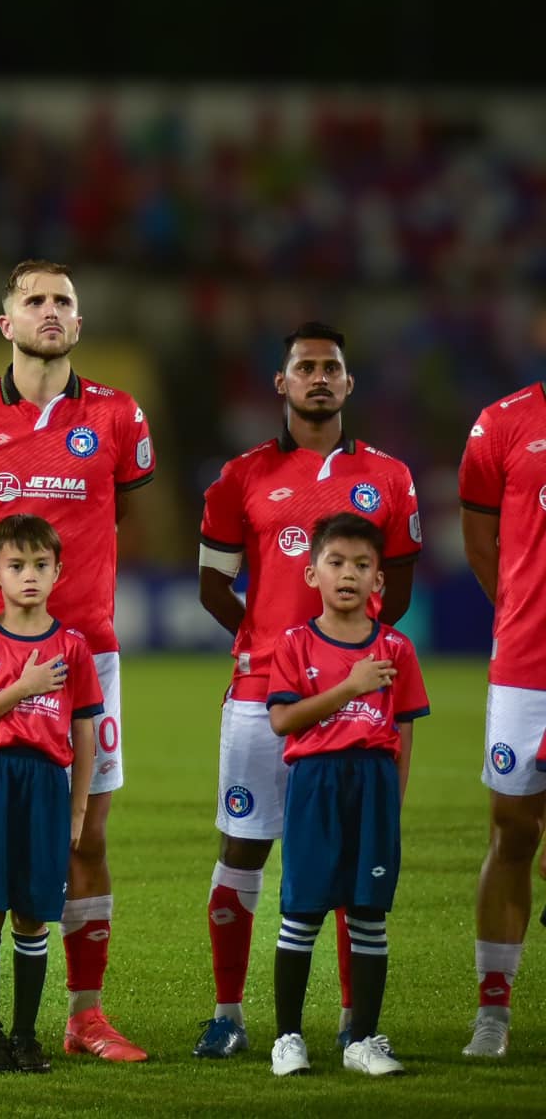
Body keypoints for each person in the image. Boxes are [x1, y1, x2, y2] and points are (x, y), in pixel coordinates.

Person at [0, 259, 153, 1062]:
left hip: (88, 657)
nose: (51, 311)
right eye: (34, 300)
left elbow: (131, 520)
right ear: (5, 321)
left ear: (79, 324)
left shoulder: (117, 416)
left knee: (86, 838)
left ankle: (85, 1016)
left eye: (64, 302)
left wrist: (77, 611)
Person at [193, 323, 421, 1059]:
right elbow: (211, 584)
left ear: (349, 385)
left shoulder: (389, 478)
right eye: (304, 367)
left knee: (355, 863)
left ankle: (358, 1024)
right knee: (242, 852)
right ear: (281, 384)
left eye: (331, 368)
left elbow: (402, 585)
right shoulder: (242, 476)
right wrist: (267, 638)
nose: (318, 377)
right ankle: (229, 1015)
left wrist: (347, 654)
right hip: (262, 693)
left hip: (355, 697)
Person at [264, 512, 428, 1078]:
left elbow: (404, 728)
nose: (349, 574)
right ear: (312, 574)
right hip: (317, 783)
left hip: (374, 784)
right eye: (335, 563)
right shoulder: (294, 645)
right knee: (302, 914)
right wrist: (350, 686)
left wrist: (395, 802)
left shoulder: (397, 649)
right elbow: (283, 721)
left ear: (379, 581)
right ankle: (288, 1038)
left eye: (362, 565)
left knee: (368, 915)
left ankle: (364, 1040)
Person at [0, 514, 103, 1074]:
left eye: (40, 565)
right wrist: (24, 687)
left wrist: (78, 806)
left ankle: (26, 1037)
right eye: (16, 565)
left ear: (58, 572)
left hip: (44, 787)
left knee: (33, 915)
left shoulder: (73, 647)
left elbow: (84, 730)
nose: (28, 575)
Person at [457, 372, 546, 1058]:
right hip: (525, 668)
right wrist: (520, 614)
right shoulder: (502, 422)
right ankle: (493, 1010)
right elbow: (483, 544)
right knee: (512, 832)